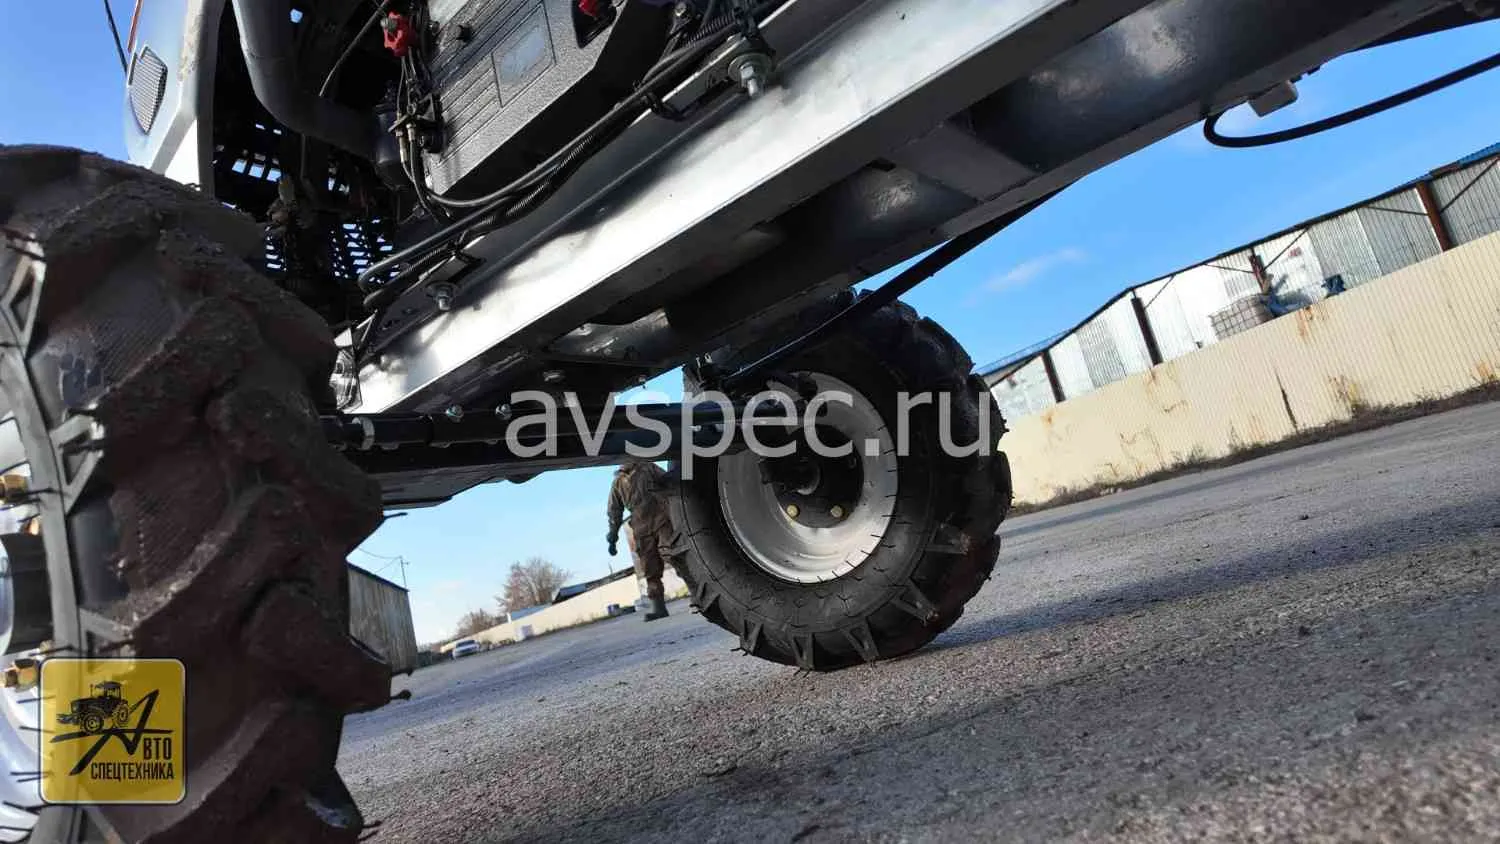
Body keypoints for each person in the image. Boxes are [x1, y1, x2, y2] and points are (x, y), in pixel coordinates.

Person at [606, 459, 675, 621]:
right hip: (641, 529)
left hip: (662, 520)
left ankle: (697, 592)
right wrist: (613, 537)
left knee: (675, 556)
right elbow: (614, 512)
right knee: (650, 569)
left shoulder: (648, 467)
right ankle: (658, 607)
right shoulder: (618, 483)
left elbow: (669, 483)